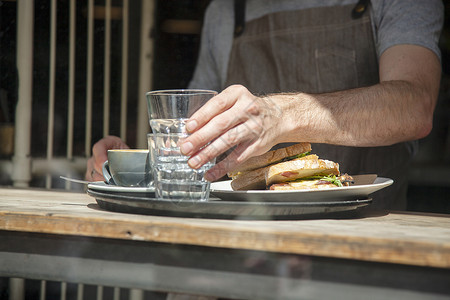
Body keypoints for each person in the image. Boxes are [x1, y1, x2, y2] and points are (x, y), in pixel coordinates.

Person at [87, 0, 443, 210]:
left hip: (360, 250)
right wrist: (132, 164)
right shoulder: (227, 11)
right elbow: (194, 139)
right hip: (239, 251)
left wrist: (279, 115)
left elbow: (414, 107)